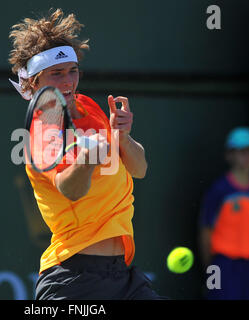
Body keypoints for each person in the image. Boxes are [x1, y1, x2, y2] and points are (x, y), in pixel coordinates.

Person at [8, 8, 162, 300]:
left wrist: (123, 138)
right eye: (56, 74)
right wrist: (88, 160)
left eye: (72, 71)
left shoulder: (89, 106)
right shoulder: (42, 132)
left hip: (124, 275)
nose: (67, 81)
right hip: (74, 280)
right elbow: (70, 188)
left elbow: (139, 169)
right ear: (34, 82)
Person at [198, 126, 249, 300]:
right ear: (229, 155)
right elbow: (205, 231)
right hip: (223, 265)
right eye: (242, 151)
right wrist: (210, 269)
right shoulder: (218, 190)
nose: (248, 156)